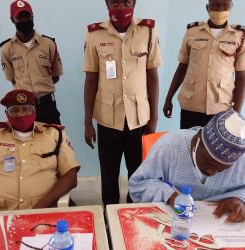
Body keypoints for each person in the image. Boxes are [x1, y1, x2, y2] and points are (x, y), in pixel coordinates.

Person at [83, 0, 162, 206]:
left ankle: (132, 216)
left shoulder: (148, 31)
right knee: (109, 175)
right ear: (107, 3)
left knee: (138, 175)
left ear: (134, 3)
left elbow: (152, 77)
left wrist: (153, 119)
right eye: (115, 2)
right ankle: (110, 217)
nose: (121, 7)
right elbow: (91, 80)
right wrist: (87, 122)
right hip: (108, 119)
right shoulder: (94, 35)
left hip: (139, 119)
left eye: (126, 2)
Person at [129, 110, 245, 223]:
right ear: (198, 140)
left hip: (216, 230)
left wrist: (243, 199)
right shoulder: (168, 146)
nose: (211, 172)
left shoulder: (243, 160)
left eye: (221, 169)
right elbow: (137, 185)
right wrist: (168, 194)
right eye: (207, 162)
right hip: (172, 224)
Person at [0, 90, 80, 212]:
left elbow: (70, 176)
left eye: (26, 109)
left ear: (34, 110)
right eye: (14, 110)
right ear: (6, 113)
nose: (20, 114)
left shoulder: (55, 134)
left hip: (43, 210)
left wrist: (39, 209)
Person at [163, 0, 245, 129]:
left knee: (214, 148)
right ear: (208, 7)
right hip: (191, 105)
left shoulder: (240, 36)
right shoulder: (192, 32)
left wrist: (236, 114)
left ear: (231, 7)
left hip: (221, 109)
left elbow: (242, 77)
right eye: (216, 5)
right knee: (190, 146)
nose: (221, 9)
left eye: (225, 5)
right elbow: (182, 67)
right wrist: (168, 98)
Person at [0, 0, 63, 124]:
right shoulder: (6, 49)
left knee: (54, 141)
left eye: (27, 16)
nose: (24, 20)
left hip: (47, 106)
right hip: (22, 108)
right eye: (19, 17)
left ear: (32, 17)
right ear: (12, 20)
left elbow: (55, 76)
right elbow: (13, 79)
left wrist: (42, 89)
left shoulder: (49, 44)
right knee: (25, 142)